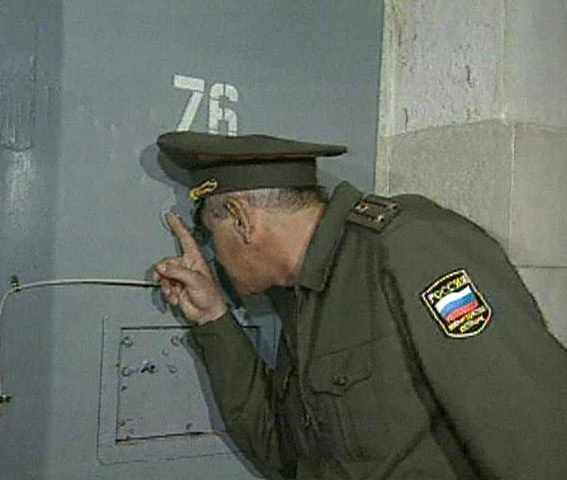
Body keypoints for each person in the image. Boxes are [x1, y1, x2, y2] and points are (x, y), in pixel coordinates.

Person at [153, 131, 567, 480]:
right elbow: (287, 454)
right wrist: (212, 317)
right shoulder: (303, 296)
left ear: (242, 220)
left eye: (211, 237)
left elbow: (536, 435)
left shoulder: (410, 248)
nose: (215, 258)